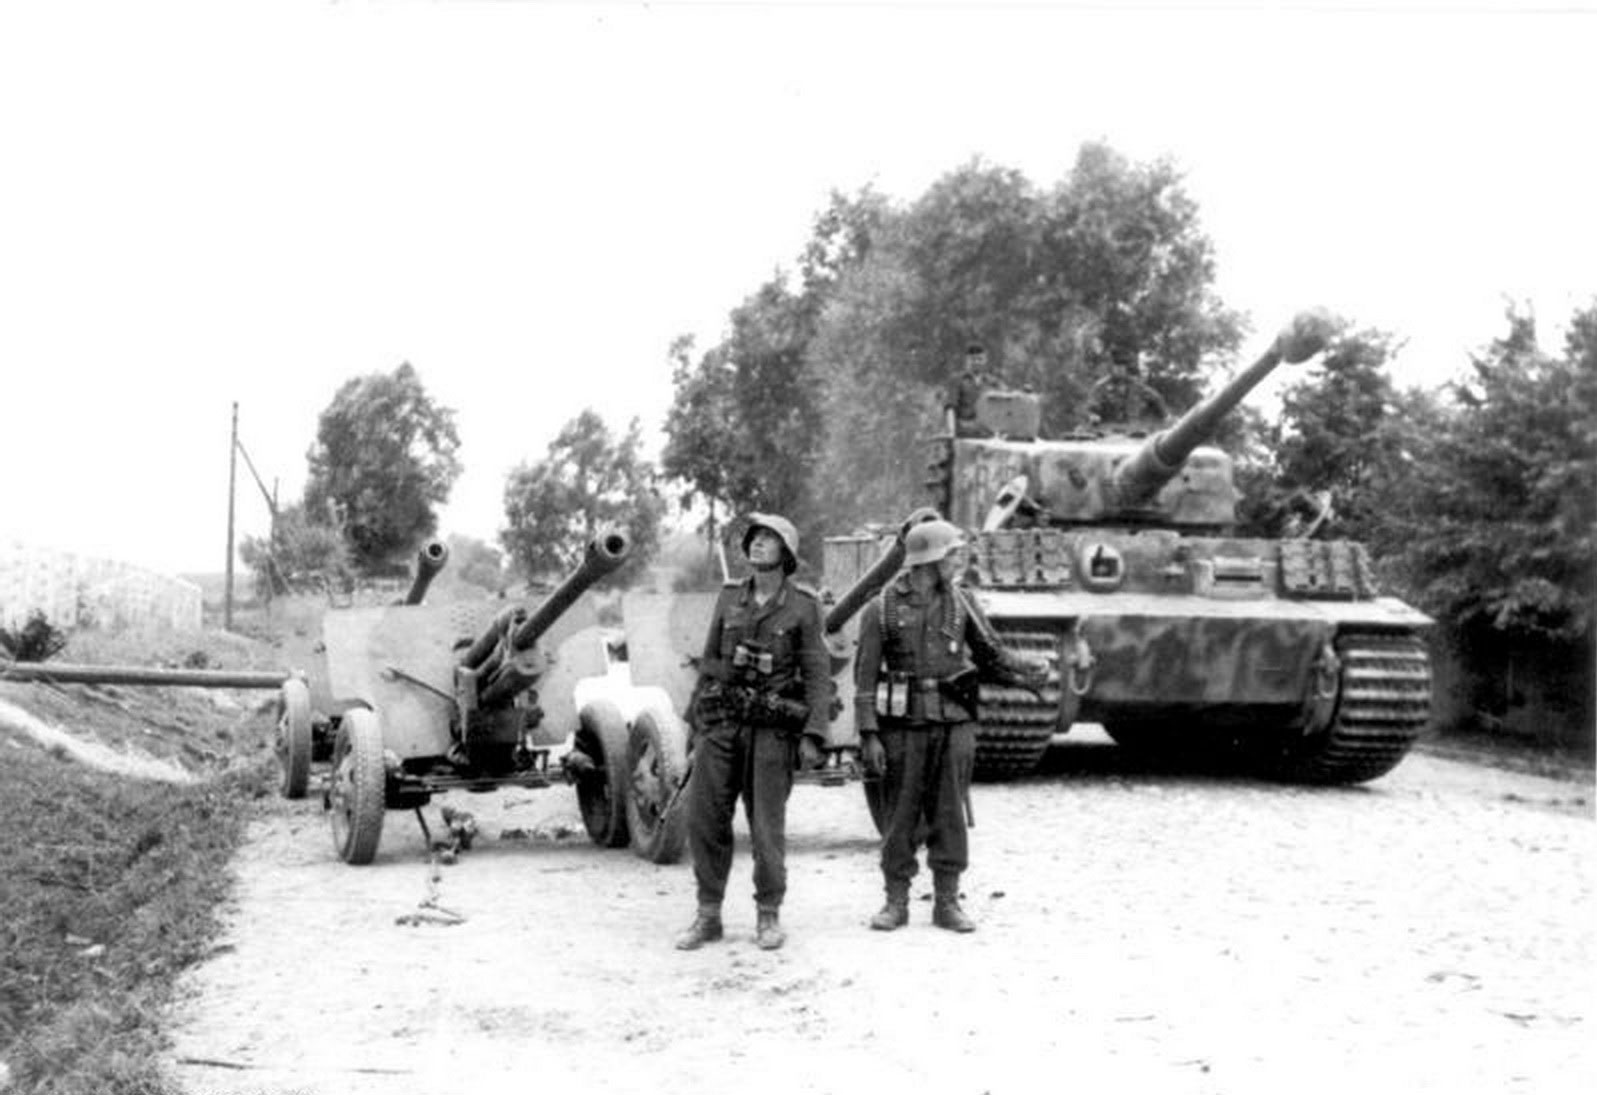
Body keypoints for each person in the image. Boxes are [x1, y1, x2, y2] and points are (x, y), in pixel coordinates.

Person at [853, 519, 1046, 933]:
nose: (957, 560)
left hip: (953, 722)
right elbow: (864, 677)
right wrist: (869, 734)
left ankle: (947, 902)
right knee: (899, 815)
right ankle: (895, 902)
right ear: (930, 559)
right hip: (902, 726)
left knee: (949, 814)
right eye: (952, 553)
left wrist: (1027, 672)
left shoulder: (961, 602)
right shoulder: (881, 607)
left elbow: (990, 654)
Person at [675, 513, 830, 952]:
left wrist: (814, 734)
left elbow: (817, 673)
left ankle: (768, 915)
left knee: (766, 828)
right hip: (720, 725)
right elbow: (709, 663)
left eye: (769, 539)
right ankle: (708, 915)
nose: (758, 545)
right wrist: (694, 727)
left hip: (771, 732)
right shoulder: (729, 599)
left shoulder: (803, 605)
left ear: (786, 553)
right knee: (705, 820)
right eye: (755, 539)